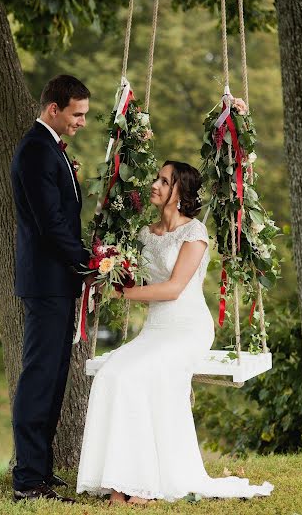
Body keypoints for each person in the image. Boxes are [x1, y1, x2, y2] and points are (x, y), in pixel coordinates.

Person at [77, 161, 274, 504]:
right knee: (111, 374)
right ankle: (118, 482)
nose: (155, 184)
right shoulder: (143, 235)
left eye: (164, 181)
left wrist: (125, 293)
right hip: (155, 330)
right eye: (157, 178)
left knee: (135, 376)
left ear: (179, 193)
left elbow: (173, 289)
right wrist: (109, 269)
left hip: (187, 330)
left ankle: (140, 486)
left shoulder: (194, 234)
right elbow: (138, 280)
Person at [11, 74, 92, 503]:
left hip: (57, 282)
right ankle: (27, 479)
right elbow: (50, 224)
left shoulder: (52, 151)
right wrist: (88, 261)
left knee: (56, 375)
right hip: (45, 282)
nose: (82, 122)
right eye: (77, 114)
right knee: (40, 375)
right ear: (53, 109)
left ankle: (40, 470)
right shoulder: (36, 150)